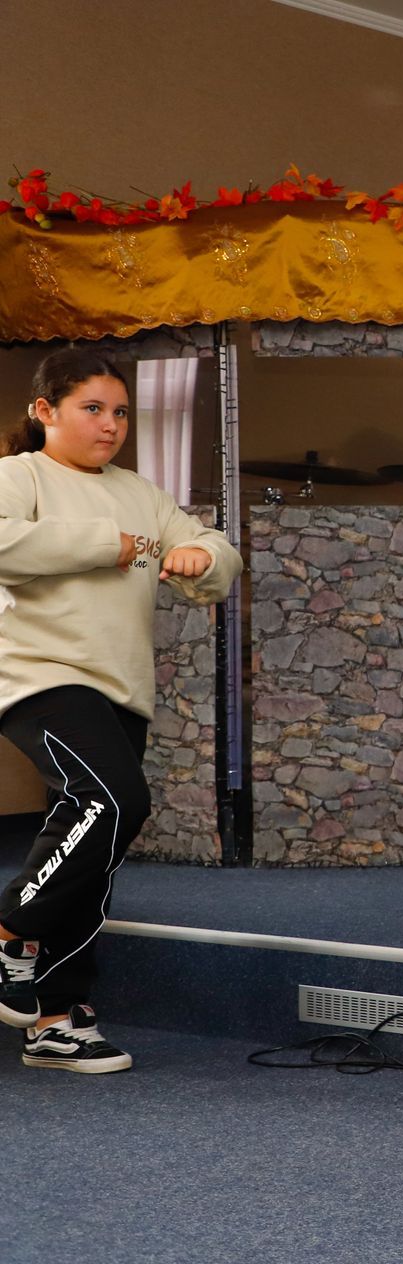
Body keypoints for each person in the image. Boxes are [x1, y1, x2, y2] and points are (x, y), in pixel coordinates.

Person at [0, 348, 242, 1072]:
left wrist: (203, 558)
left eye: (121, 413)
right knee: (111, 801)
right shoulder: (19, 476)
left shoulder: (141, 493)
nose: (110, 425)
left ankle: (57, 1018)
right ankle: (10, 931)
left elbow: (214, 551)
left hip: (120, 688)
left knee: (96, 849)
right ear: (45, 411)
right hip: (39, 677)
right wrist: (113, 545)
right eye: (92, 409)